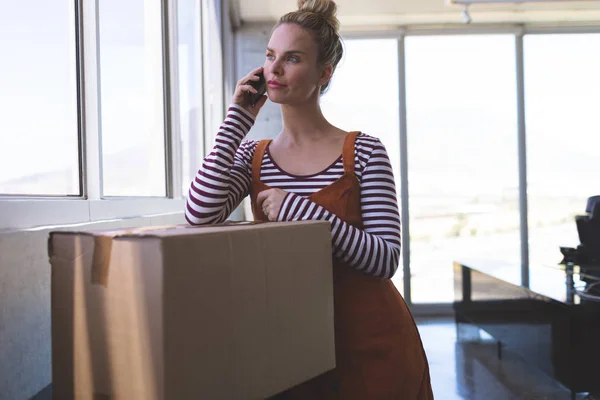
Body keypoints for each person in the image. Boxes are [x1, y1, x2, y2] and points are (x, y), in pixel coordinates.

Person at [185, 0, 433, 398]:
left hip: (373, 348)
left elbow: (385, 259)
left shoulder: (364, 151)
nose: (275, 69)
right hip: (290, 350)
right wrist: (236, 120)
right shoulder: (253, 156)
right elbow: (199, 214)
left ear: (324, 72)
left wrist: (301, 211)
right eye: (270, 56)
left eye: (293, 58)